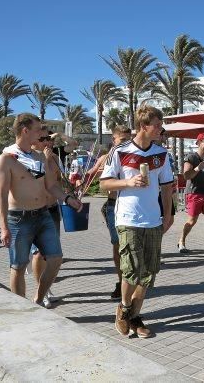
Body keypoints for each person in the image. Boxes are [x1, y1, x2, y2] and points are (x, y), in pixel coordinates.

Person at [100, 106, 173, 339]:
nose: (161, 129)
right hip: (128, 218)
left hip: (153, 220)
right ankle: (123, 308)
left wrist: (169, 215)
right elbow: (104, 184)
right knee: (131, 271)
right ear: (144, 126)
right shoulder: (120, 151)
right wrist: (128, 183)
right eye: (158, 125)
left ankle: (134, 315)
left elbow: (167, 187)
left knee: (149, 273)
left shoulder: (161, 154)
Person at [0, 113, 82, 306]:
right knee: (18, 266)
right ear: (25, 131)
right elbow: (0, 196)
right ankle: (21, 308)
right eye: (38, 130)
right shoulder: (6, 159)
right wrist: (3, 227)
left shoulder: (40, 157)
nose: (42, 134)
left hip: (43, 215)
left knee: (56, 258)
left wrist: (68, 199)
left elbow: (51, 186)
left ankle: (39, 299)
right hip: (19, 219)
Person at [84, 125, 132, 299]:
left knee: (130, 247)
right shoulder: (106, 157)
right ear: (114, 140)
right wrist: (79, 179)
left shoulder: (133, 156)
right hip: (113, 205)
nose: (127, 143)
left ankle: (130, 281)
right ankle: (121, 281)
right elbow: (90, 173)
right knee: (118, 245)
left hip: (131, 205)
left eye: (129, 139)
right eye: (123, 139)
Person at [26, 126, 65, 308]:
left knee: (52, 254)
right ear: (35, 140)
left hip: (53, 209)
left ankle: (46, 289)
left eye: (49, 138)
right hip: (37, 211)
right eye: (43, 139)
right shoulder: (30, 160)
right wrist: (47, 160)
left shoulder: (55, 158)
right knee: (39, 254)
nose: (48, 142)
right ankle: (39, 291)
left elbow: (58, 183)